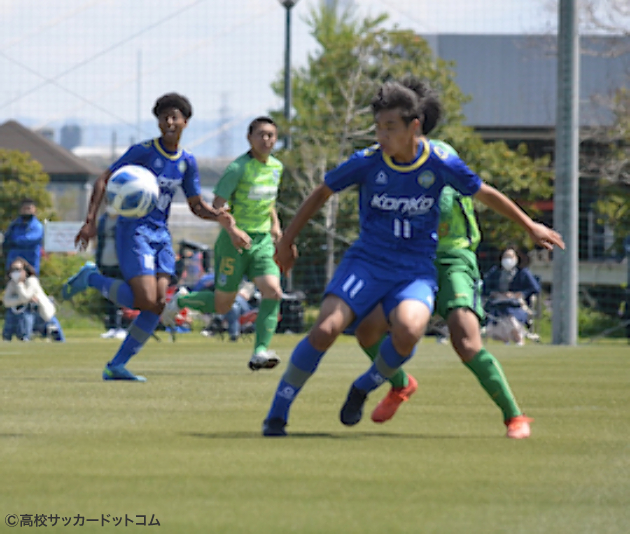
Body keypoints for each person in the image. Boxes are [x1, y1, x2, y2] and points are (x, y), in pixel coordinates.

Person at [263, 81, 564, 437]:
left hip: (425, 266)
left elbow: (483, 192)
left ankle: (369, 386)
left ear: (414, 125)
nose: (382, 135)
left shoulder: (440, 161)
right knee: (332, 328)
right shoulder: (368, 162)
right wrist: (286, 241)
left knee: (420, 332)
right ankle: (278, 415)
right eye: (378, 127)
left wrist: (530, 225)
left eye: (390, 127)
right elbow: (322, 190)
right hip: (369, 262)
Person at [61, 93, 250, 381]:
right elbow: (103, 179)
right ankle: (91, 278)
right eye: (165, 117)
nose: (170, 122)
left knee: (158, 305)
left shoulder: (187, 162)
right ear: (159, 122)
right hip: (133, 231)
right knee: (145, 300)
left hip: (161, 235)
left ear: (186, 122)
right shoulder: (143, 152)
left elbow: (196, 205)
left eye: (175, 117)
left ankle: (116, 366)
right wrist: (90, 222)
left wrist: (220, 218)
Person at [162, 116, 285, 370]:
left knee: (273, 291)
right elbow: (217, 207)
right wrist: (233, 230)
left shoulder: (276, 167)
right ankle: (181, 301)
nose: (266, 139)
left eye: (271, 135)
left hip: (261, 242)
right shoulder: (237, 168)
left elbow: (268, 200)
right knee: (222, 306)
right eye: (261, 134)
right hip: (233, 243)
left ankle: (260, 351)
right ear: (249, 138)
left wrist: (275, 224)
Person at [483, 247, 541, 342]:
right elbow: (485, 287)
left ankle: (517, 337)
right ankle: (511, 338)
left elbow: (535, 288)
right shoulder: (495, 272)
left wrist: (519, 294)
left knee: (510, 318)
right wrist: (495, 294)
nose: (507, 259)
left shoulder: (523, 273)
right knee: (496, 321)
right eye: (505, 257)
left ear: (516, 258)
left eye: (510, 256)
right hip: (497, 306)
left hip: (517, 307)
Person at [2, 257, 62, 342]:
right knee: (13, 314)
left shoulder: (32, 281)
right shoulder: (12, 283)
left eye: (18, 269)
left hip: (42, 314)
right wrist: (21, 300)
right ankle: (8, 337)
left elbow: (25, 297)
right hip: (22, 314)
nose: (15, 271)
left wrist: (20, 284)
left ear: (25, 270)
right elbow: (6, 301)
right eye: (13, 269)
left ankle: (25, 337)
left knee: (27, 311)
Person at [95, 209, 127, 339]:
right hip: (105, 261)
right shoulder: (103, 220)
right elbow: (100, 241)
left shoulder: (124, 219)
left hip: (120, 263)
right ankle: (112, 327)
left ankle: (122, 326)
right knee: (109, 295)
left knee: (121, 294)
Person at [3, 198, 44, 274]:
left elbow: (30, 240)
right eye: (24, 208)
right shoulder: (14, 225)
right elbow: (6, 240)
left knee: (31, 283)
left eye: (29, 208)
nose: (26, 211)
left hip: (31, 262)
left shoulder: (37, 226)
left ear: (34, 210)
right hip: (13, 261)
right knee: (13, 283)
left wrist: (14, 239)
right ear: (20, 210)